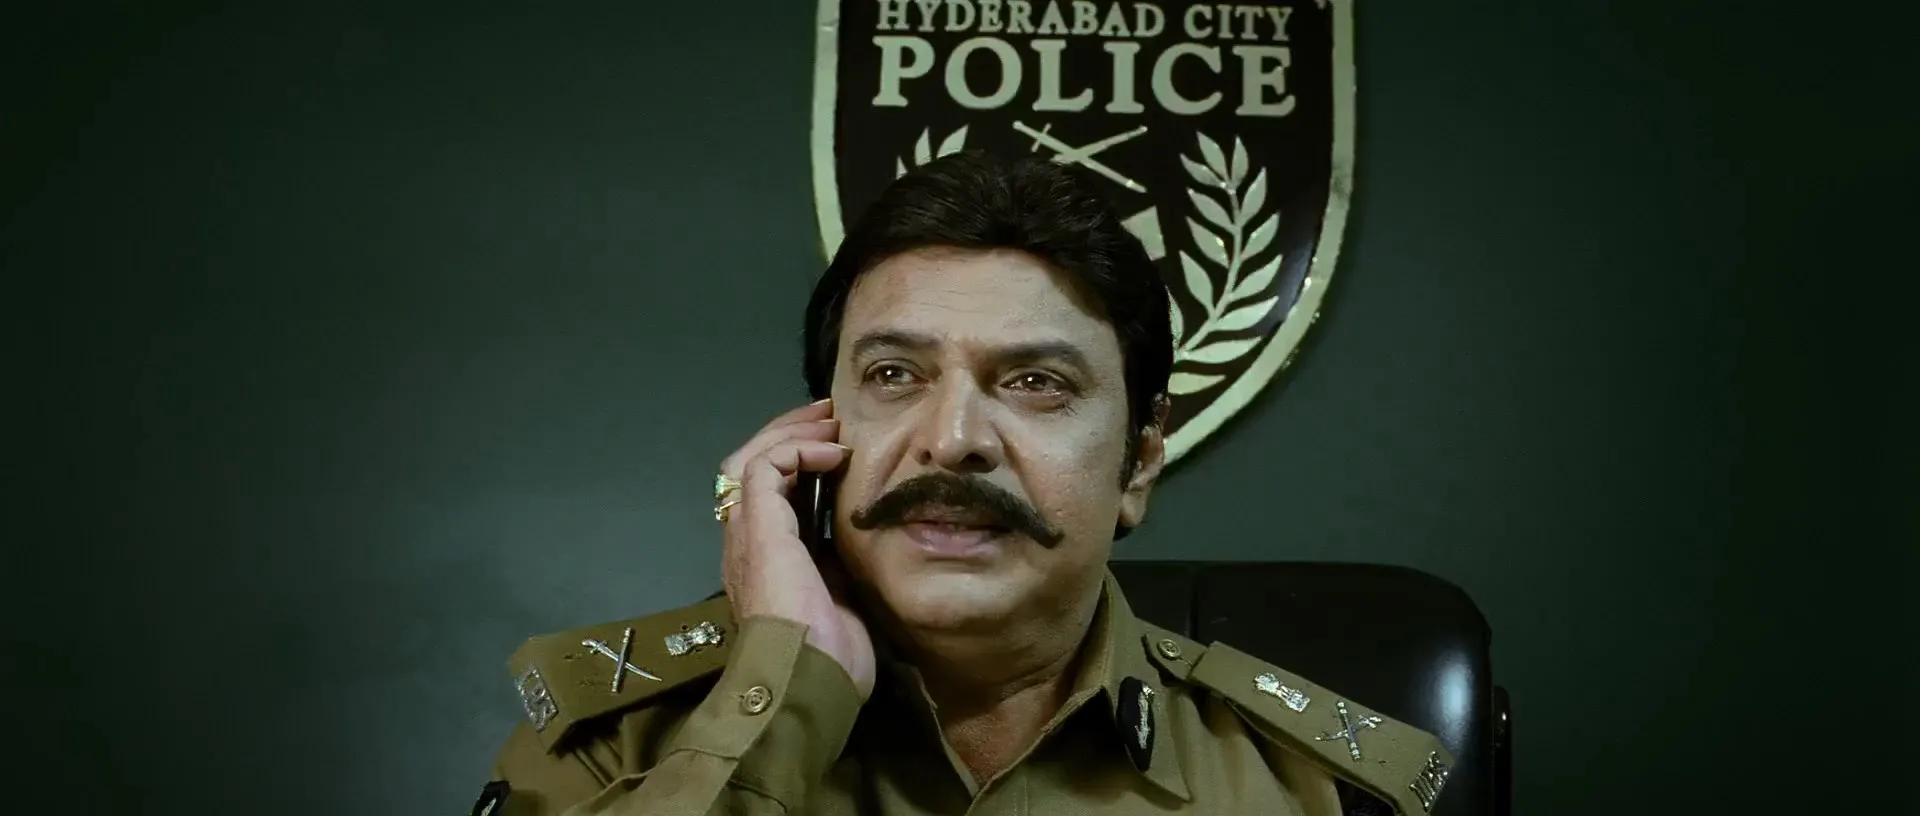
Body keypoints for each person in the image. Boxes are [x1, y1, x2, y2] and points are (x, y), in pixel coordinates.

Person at [473, 152, 1453, 816]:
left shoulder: (1315, 791)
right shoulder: (619, 746)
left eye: (1036, 383)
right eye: (894, 375)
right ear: (812, 433)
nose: (951, 441)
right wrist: (783, 705)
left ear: (1141, 458)